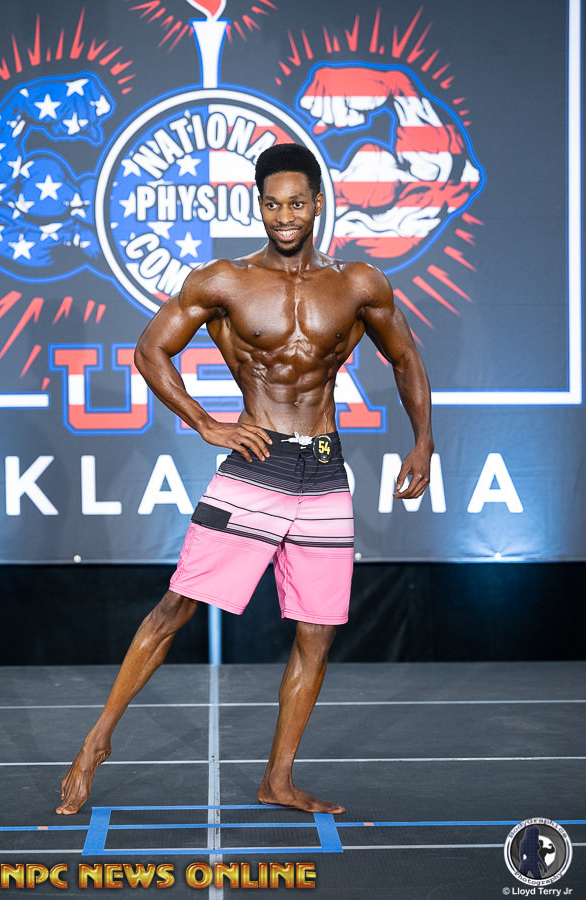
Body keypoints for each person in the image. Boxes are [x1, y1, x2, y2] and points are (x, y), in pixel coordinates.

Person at [56, 142, 434, 817]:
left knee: (317, 632)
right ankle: (96, 741)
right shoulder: (225, 281)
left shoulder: (358, 284)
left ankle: (278, 780)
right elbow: (150, 349)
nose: (285, 216)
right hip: (258, 466)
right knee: (177, 607)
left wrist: (424, 441)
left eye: (297, 203)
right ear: (258, 206)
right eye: (272, 204)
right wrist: (204, 422)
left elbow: (405, 358)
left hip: (324, 471)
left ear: (317, 204)